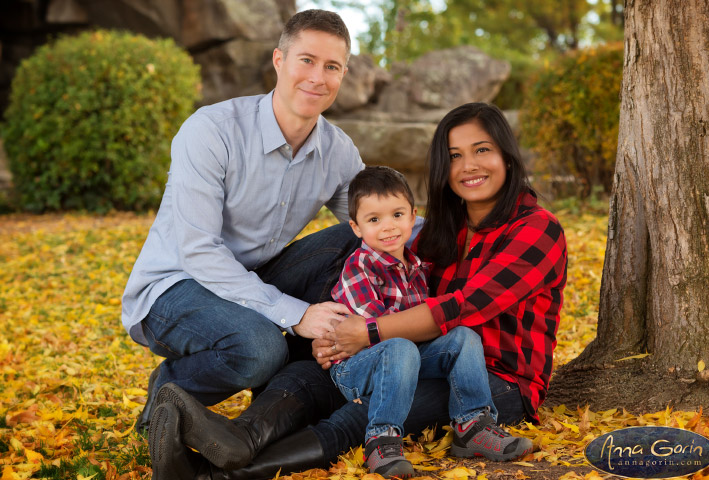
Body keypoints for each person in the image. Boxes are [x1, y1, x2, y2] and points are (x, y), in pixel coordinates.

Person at [151, 102, 568, 480]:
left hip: (499, 380)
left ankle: (210, 476)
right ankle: (238, 438)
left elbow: (463, 308)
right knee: (312, 375)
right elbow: (383, 283)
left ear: (507, 157)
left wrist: (365, 333)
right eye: (455, 156)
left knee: (362, 414)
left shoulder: (537, 229)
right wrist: (335, 341)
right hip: (417, 352)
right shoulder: (442, 229)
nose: (468, 166)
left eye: (482, 150)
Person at [120, 9, 367, 478]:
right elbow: (198, 250)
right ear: (278, 60)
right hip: (175, 286)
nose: (318, 78)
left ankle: (287, 397)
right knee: (259, 348)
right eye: (307, 61)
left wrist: (471, 236)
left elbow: (383, 223)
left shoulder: (338, 151)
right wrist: (295, 313)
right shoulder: (212, 130)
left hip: (253, 280)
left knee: (351, 241)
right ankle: (165, 398)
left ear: (344, 74)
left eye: (332, 66)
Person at [329, 166, 532, 477]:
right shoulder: (361, 267)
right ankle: (381, 439)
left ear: (413, 216)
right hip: (357, 366)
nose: (388, 227)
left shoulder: (416, 266)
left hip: (406, 355)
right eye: (374, 220)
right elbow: (378, 332)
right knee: (398, 346)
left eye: (397, 215)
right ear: (356, 227)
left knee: (463, 337)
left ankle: (472, 426)